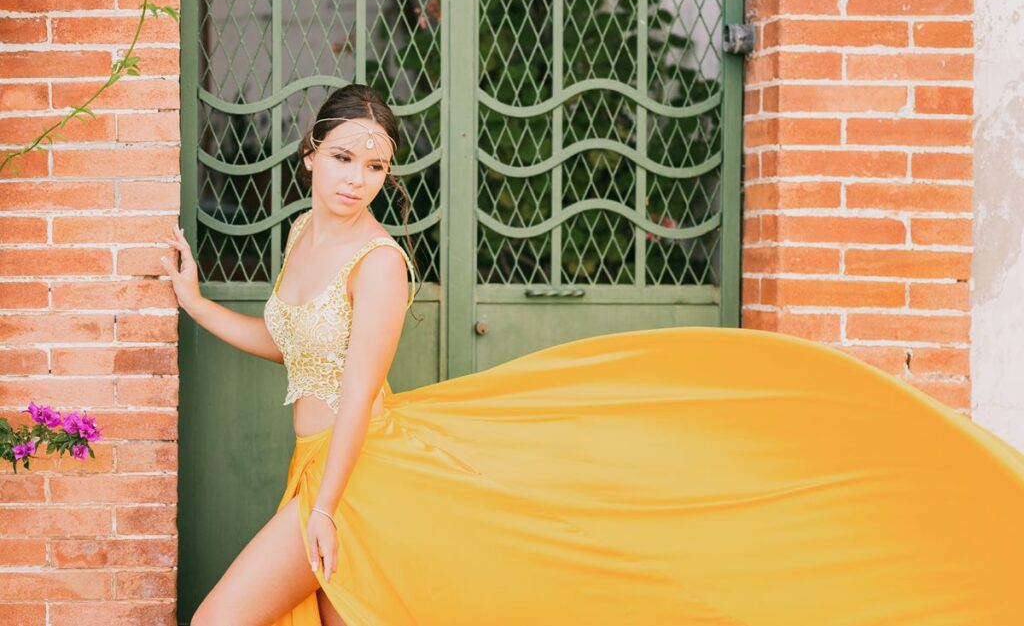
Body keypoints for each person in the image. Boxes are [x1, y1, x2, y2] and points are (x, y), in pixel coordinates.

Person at [164, 85, 1024, 626]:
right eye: (344, 157)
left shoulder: (381, 264)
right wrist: (198, 302)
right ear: (310, 153)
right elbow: (292, 348)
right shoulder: (304, 236)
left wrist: (325, 506)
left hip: (360, 477)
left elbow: (353, 396)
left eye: (377, 166)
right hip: (316, 469)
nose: (357, 177)